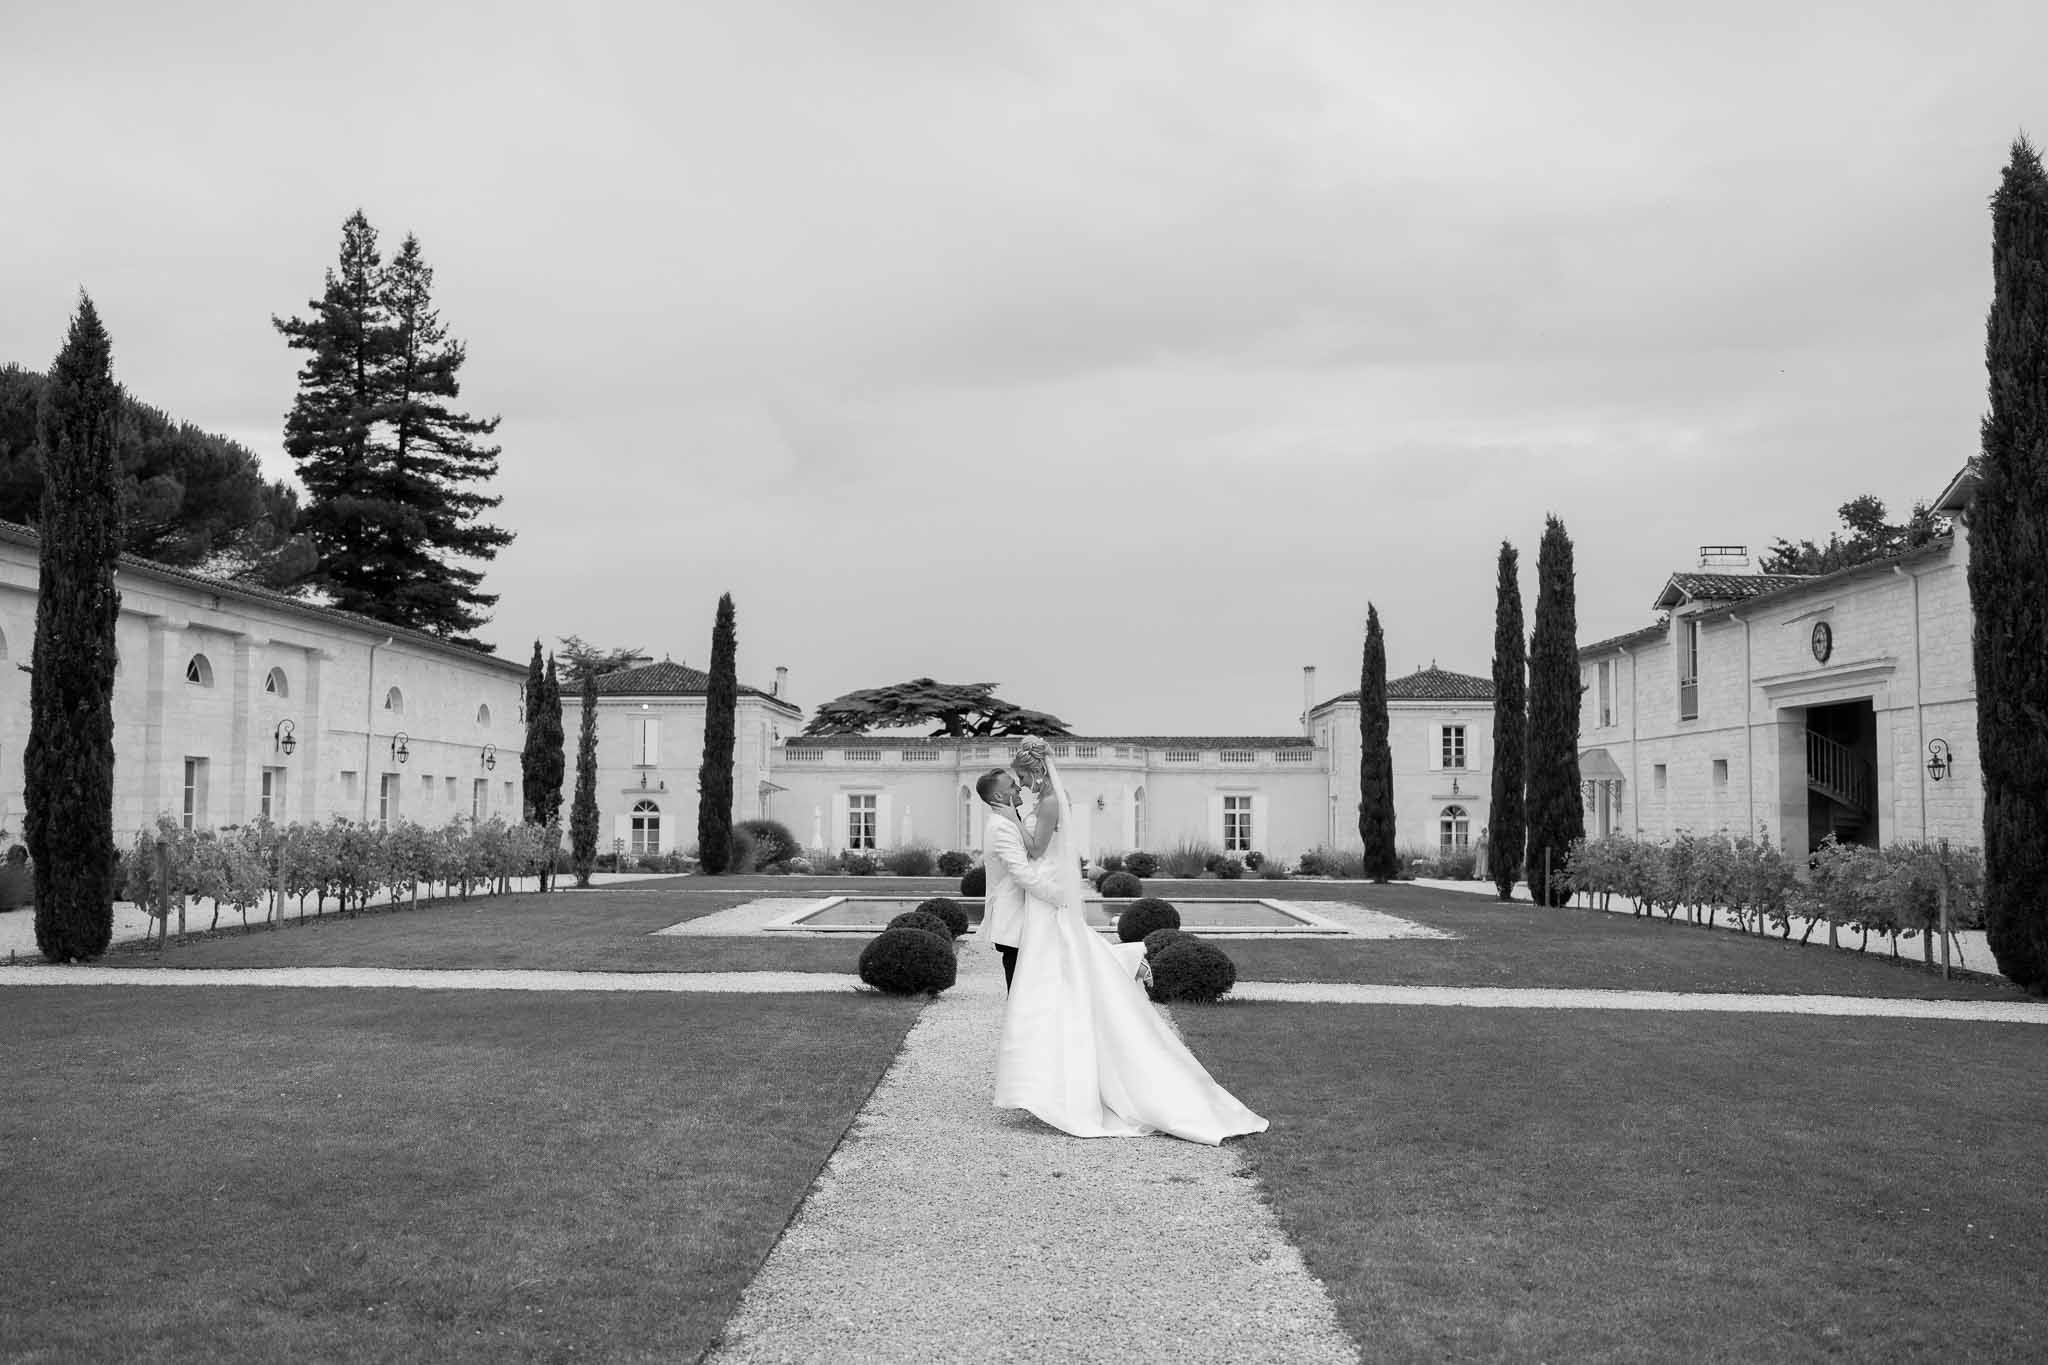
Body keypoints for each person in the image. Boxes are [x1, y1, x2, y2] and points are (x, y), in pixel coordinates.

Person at [976, 737, 1267, 1146]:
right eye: (1014, 781)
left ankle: (1056, 1076)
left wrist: (1018, 827)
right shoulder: (1023, 810)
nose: (1019, 785)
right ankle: (1047, 1077)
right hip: (1032, 913)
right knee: (1052, 991)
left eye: (1021, 776)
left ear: (1034, 771)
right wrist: (1012, 817)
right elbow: (1031, 857)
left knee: (1049, 994)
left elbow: (1037, 851)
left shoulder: (1044, 805)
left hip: (1041, 907)